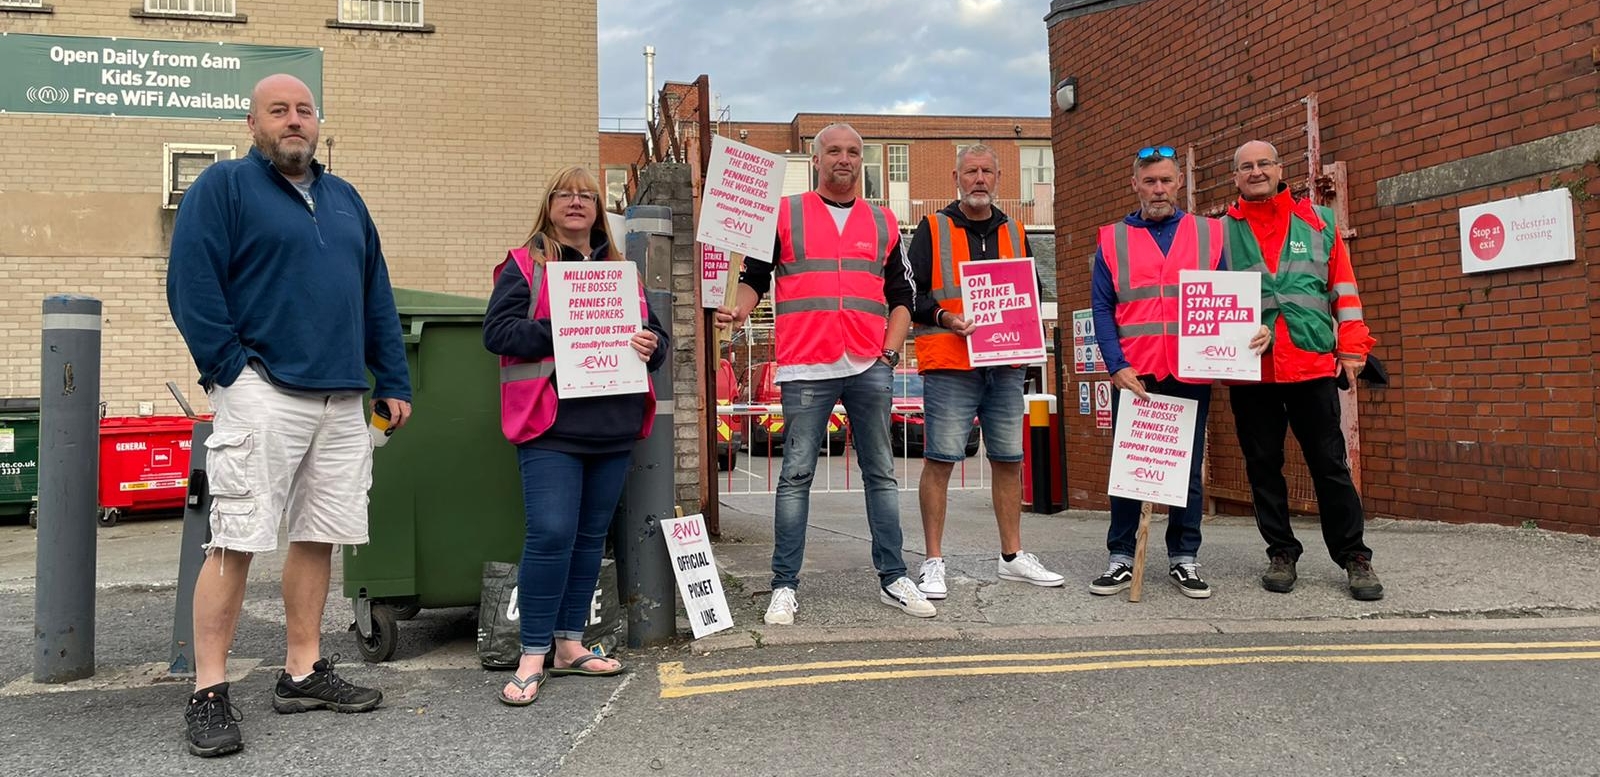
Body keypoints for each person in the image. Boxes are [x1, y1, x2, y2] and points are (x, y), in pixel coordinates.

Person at [167, 74, 411, 757]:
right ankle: (208, 690)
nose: (294, 120)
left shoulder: (345, 199)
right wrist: (229, 370)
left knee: (318, 534)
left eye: (304, 110)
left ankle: (302, 671)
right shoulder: (223, 188)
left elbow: (375, 293)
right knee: (236, 536)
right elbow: (191, 283)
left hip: (341, 396)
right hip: (262, 389)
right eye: (279, 110)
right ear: (254, 124)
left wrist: (392, 377)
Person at [714, 123, 935, 624]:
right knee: (795, 476)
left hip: (868, 363)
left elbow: (904, 297)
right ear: (816, 159)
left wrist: (889, 354)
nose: (844, 158)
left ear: (862, 161)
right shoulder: (784, 214)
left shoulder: (883, 220)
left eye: (853, 151)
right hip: (806, 364)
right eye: (833, 150)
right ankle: (784, 585)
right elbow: (754, 278)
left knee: (881, 474)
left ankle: (894, 577)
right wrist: (739, 310)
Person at [482, 165, 670, 705]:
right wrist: (565, 329)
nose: (576, 201)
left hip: (612, 423)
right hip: (549, 424)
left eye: (587, 195)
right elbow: (497, 332)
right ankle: (532, 654)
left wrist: (651, 344)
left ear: (598, 210)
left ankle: (569, 645)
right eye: (564, 193)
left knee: (589, 538)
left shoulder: (621, 272)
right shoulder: (525, 264)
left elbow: (655, 338)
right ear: (549, 204)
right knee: (551, 533)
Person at [1088, 145, 1267, 600]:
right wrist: (1116, 366)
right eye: (1150, 181)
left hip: (1191, 370)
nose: (1158, 189)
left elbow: (1229, 296)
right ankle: (1121, 556)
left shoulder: (1209, 233)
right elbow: (1102, 309)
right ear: (1135, 185)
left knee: (1186, 468)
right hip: (1136, 373)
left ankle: (1184, 557)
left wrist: (1253, 328)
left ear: (1179, 183)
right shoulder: (1112, 239)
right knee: (1130, 466)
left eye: (1166, 180)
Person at [1225, 140, 1382, 601]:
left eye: (1263, 164)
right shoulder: (1218, 233)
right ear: (1235, 178)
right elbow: (1206, 301)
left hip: (1311, 363)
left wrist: (1352, 349)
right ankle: (1281, 552)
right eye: (1246, 167)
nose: (1256, 172)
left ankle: (1354, 556)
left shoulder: (1320, 222)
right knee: (1262, 468)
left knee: (1330, 466)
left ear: (1280, 170)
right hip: (1251, 371)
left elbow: (1344, 291)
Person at [908, 144, 1064, 599]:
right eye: (971, 171)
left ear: (998, 178)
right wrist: (945, 317)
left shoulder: (1015, 230)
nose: (979, 179)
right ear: (956, 178)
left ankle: (1012, 556)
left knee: (1009, 459)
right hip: (950, 363)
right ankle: (933, 561)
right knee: (940, 459)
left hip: (1005, 365)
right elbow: (910, 294)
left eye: (987, 172)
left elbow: (1032, 292)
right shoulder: (933, 227)